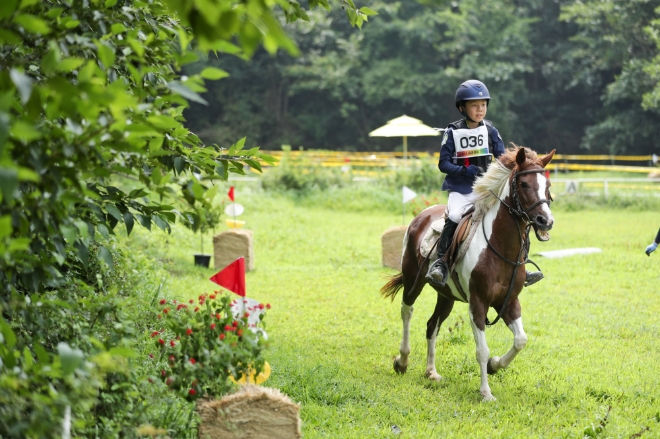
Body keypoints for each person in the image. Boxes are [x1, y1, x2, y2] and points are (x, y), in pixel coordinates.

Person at [425, 79, 544, 287]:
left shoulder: (491, 130)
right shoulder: (452, 132)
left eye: (483, 105)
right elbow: (443, 164)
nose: (480, 110)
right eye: (474, 105)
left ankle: (522, 264)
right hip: (461, 190)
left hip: (485, 190)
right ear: (462, 108)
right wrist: (464, 170)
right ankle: (441, 264)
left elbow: (502, 159)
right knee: (453, 216)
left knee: (513, 216)